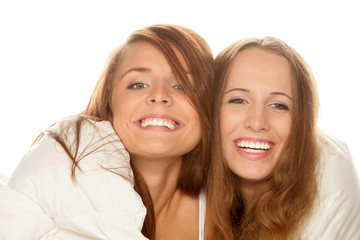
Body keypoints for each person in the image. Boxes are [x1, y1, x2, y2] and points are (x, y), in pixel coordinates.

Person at [0, 24, 215, 239]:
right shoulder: (70, 157)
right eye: (139, 84)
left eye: (182, 86)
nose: (159, 95)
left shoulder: (225, 213)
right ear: (109, 104)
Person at [207, 37, 360, 239]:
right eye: (238, 100)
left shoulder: (328, 172)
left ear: (301, 123)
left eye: (279, 105)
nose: (257, 121)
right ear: (209, 110)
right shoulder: (191, 177)